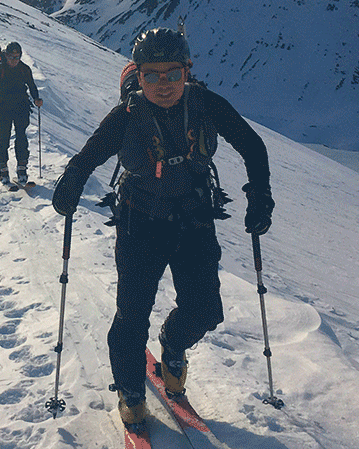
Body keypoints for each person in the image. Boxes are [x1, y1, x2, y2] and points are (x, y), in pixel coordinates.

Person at [51, 27, 272, 434]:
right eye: (152, 75)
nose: (164, 84)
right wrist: (70, 183)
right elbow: (89, 156)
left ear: (188, 71)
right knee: (132, 317)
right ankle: (132, 391)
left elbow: (252, 146)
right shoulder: (129, 114)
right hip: (140, 224)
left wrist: (260, 194)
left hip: (194, 222)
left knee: (205, 310)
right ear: (139, 76)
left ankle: (172, 344)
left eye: (173, 73)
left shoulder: (205, 104)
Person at [0, 42, 43, 186]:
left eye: (17, 57)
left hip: (21, 107)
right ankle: (3, 167)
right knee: (4, 138)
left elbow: (32, 86)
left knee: (21, 136)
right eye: (12, 57)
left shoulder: (24, 70)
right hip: (4, 108)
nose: (15, 60)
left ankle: (21, 167)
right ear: (6, 55)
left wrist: (36, 98)